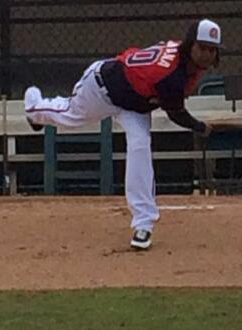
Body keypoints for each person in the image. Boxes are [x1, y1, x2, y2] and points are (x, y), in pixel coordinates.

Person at [24, 18, 222, 251]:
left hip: (135, 105)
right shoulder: (170, 75)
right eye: (202, 47)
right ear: (190, 45)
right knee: (70, 116)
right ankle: (34, 108)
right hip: (102, 88)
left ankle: (143, 224)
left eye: (212, 50)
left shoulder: (185, 63)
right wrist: (201, 127)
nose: (207, 54)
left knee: (140, 145)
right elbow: (176, 114)